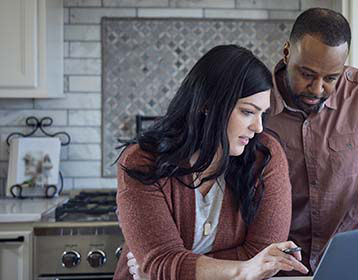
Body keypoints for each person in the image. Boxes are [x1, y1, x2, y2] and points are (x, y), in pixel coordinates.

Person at [114, 45, 309, 280]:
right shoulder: (142, 161)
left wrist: (171, 270)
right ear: (207, 104)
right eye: (248, 112)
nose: (258, 127)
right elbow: (161, 260)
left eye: (262, 114)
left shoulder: (265, 156)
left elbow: (264, 257)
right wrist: (243, 270)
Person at [265, 8, 358, 275]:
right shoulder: (258, 101)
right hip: (278, 265)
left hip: (352, 262)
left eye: (331, 78)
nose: (317, 89)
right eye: (306, 74)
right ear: (287, 53)